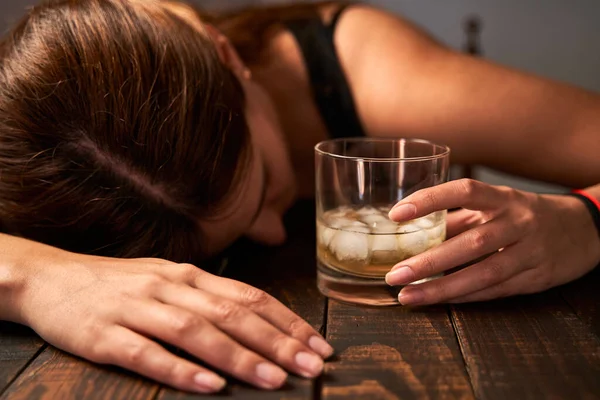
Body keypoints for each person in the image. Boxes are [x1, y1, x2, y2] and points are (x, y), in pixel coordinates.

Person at [0, 0, 598, 394]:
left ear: (229, 60)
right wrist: (37, 278)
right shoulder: (47, 144)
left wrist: (586, 217)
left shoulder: (383, 82)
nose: (275, 233)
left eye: (263, 190)